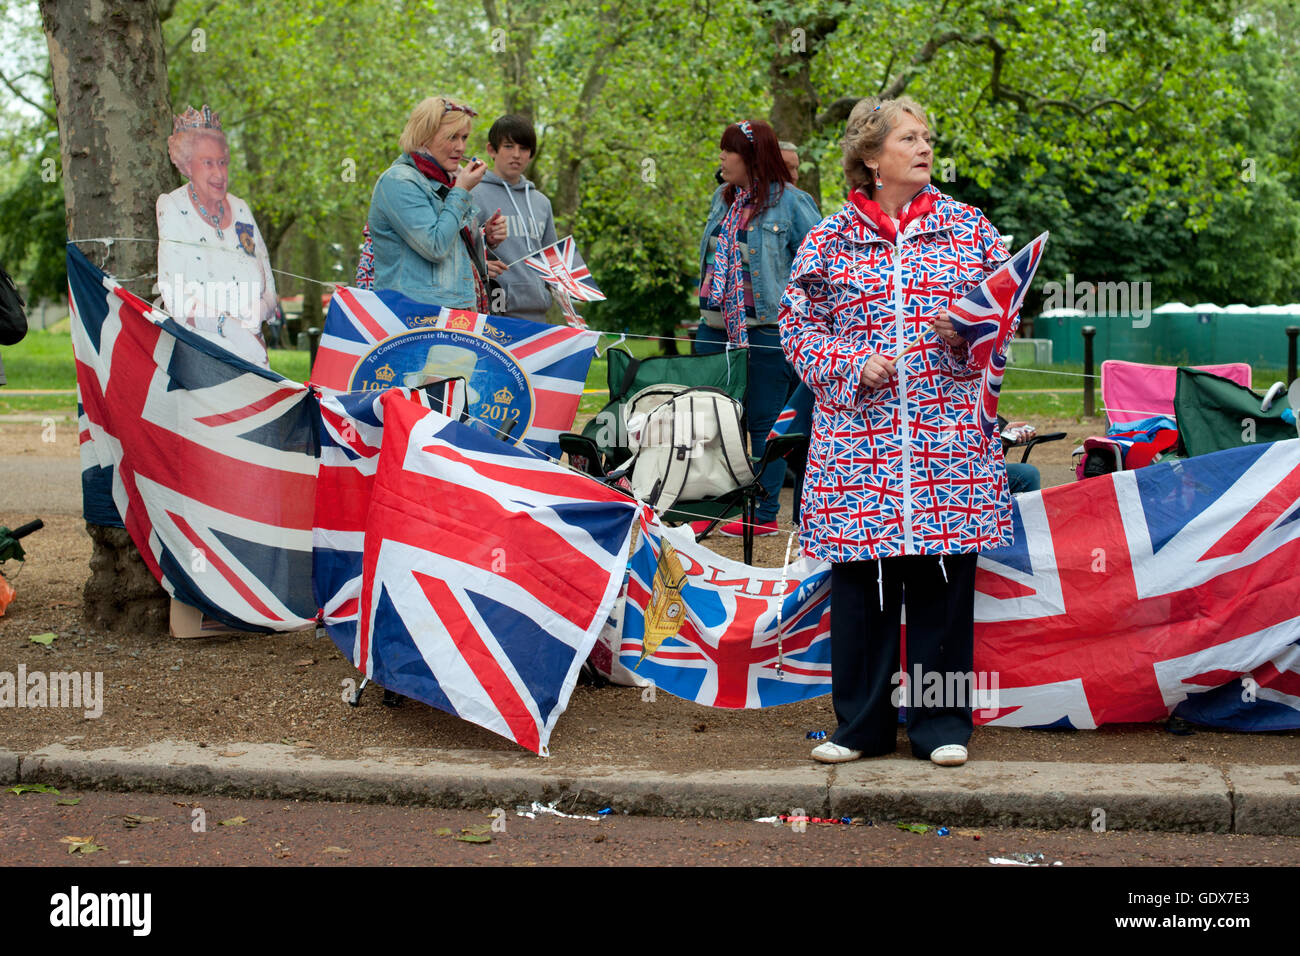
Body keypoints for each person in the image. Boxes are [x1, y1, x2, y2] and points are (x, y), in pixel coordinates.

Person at [780, 96, 1017, 768]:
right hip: (860, 446)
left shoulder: (971, 230)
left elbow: (1007, 319)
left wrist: (969, 332)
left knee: (943, 587)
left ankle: (942, 726)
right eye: (910, 138)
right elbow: (796, 327)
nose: (925, 147)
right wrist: (851, 364)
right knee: (864, 587)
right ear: (872, 156)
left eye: (929, 138)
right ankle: (860, 726)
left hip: (948, 443)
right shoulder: (827, 239)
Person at [694, 119, 821, 537]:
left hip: (766, 330)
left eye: (728, 151)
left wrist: (807, 322)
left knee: (763, 421)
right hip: (714, 329)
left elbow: (820, 269)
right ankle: (711, 503)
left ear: (750, 157)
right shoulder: (722, 197)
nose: (722, 158)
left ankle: (764, 513)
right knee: (709, 418)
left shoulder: (793, 203)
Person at [156, 105, 277, 369]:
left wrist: (259, 311)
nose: (219, 173)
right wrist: (228, 327)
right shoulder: (172, 206)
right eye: (208, 163)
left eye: (222, 162)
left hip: (254, 355)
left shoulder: (241, 208)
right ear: (187, 165)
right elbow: (174, 294)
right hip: (204, 359)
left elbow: (268, 282)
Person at [368, 96, 506, 310]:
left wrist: (485, 236)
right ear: (424, 137)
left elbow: (454, 253)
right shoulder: (399, 181)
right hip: (415, 315)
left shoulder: (446, 181)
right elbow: (435, 246)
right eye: (452, 137)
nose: (461, 147)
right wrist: (461, 191)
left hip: (453, 311)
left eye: (465, 137)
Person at [471, 115, 562, 324]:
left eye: (524, 149)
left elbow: (552, 261)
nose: (516, 155)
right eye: (509, 146)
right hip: (493, 313)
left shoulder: (541, 202)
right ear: (492, 150)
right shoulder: (473, 193)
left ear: (531, 155)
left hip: (537, 313)